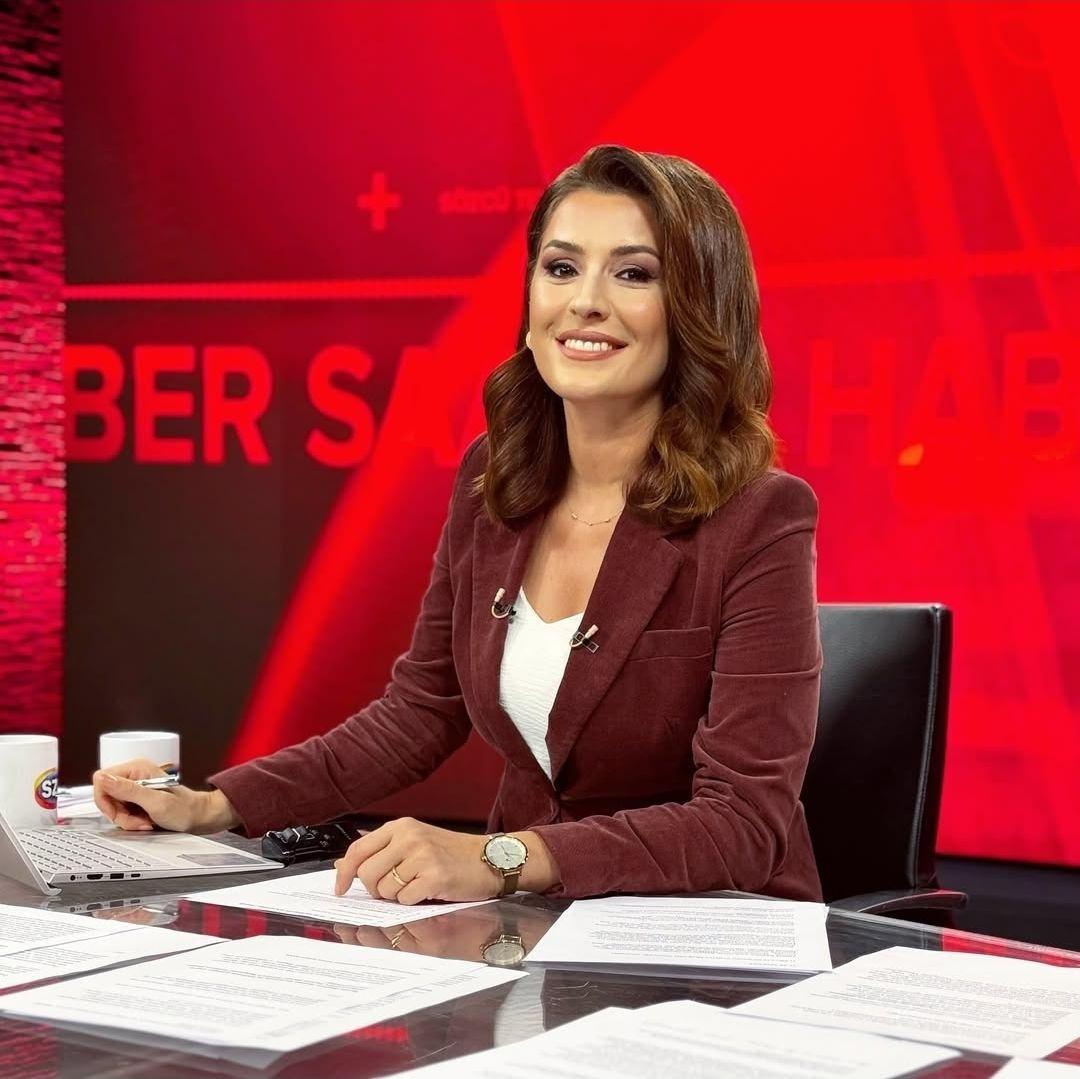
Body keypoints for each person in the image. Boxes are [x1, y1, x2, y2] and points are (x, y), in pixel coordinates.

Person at [93, 144, 823, 905]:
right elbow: (419, 713)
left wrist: (502, 855)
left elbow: (743, 822)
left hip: (710, 926)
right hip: (531, 921)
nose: (585, 302)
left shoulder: (760, 516)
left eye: (634, 274)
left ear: (700, 308)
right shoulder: (495, 481)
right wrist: (215, 806)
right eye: (561, 267)